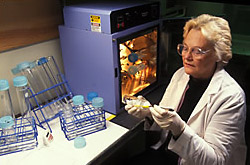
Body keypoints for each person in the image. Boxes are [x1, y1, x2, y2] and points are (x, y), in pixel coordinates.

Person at [125, 14, 247, 165]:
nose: (187, 56)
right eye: (185, 48)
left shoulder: (231, 97)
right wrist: (149, 114)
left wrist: (180, 129)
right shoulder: (181, 74)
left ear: (218, 54)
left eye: (198, 51)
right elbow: (166, 120)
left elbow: (216, 160)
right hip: (165, 153)